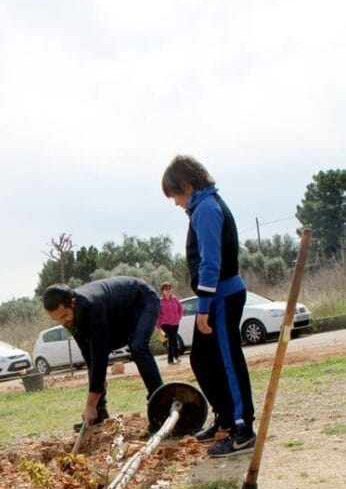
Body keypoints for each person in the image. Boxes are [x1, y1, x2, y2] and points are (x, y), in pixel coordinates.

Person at [161, 155, 256, 456]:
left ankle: (243, 429)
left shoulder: (206, 209)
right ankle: (226, 418)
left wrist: (203, 307)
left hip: (221, 298)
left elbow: (211, 262)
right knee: (203, 360)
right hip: (217, 298)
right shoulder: (202, 207)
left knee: (228, 360)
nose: (176, 203)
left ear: (187, 185)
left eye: (175, 195)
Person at [42, 277, 164, 428]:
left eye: (64, 316)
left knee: (138, 346)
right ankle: (100, 413)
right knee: (93, 362)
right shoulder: (70, 317)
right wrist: (96, 392)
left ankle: (162, 405)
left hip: (143, 299)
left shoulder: (91, 306)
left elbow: (100, 357)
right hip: (120, 312)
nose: (63, 322)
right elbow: (90, 356)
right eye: (57, 320)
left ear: (73, 303)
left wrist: (90, 404)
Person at [157, 282, 183, 365]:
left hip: (175, 323)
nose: (168, 290)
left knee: (171, 341)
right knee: (173, 339)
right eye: (166, 289)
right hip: (165, 324)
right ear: (162, 291)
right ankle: (177, 356)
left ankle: (170, 360)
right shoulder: (160, 301)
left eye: (169, 288)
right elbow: (158, 314)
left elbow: (181, 309)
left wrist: (178, 319)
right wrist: (158, 326)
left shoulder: (175, 299)